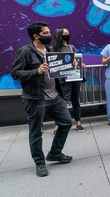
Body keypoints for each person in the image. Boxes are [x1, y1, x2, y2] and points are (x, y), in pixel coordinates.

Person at [11, 21, 73, 177]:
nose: (49, 35)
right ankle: (39, 163)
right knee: (36, 132)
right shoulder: (25, 52)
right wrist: (36, 71)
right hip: (35, 99)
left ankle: (55, 153)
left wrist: (72, 65)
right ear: (36, 35)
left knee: (66, 122)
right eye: (45, 33)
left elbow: (59, 71)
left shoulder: (51, 50)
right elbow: (16, 73)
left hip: (55, 96)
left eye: (49, 32)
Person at [52, 27, 85, 136]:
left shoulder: (72, 47)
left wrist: (80, 65)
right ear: (59, 35)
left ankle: (78, 123)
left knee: (76, 100)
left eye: (68, 32)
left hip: (74, 78)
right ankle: (57, 125)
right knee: (61, 102)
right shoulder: (54, 49)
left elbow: (75, 61)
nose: (67, 34)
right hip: (62, 80)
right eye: (65, 33)